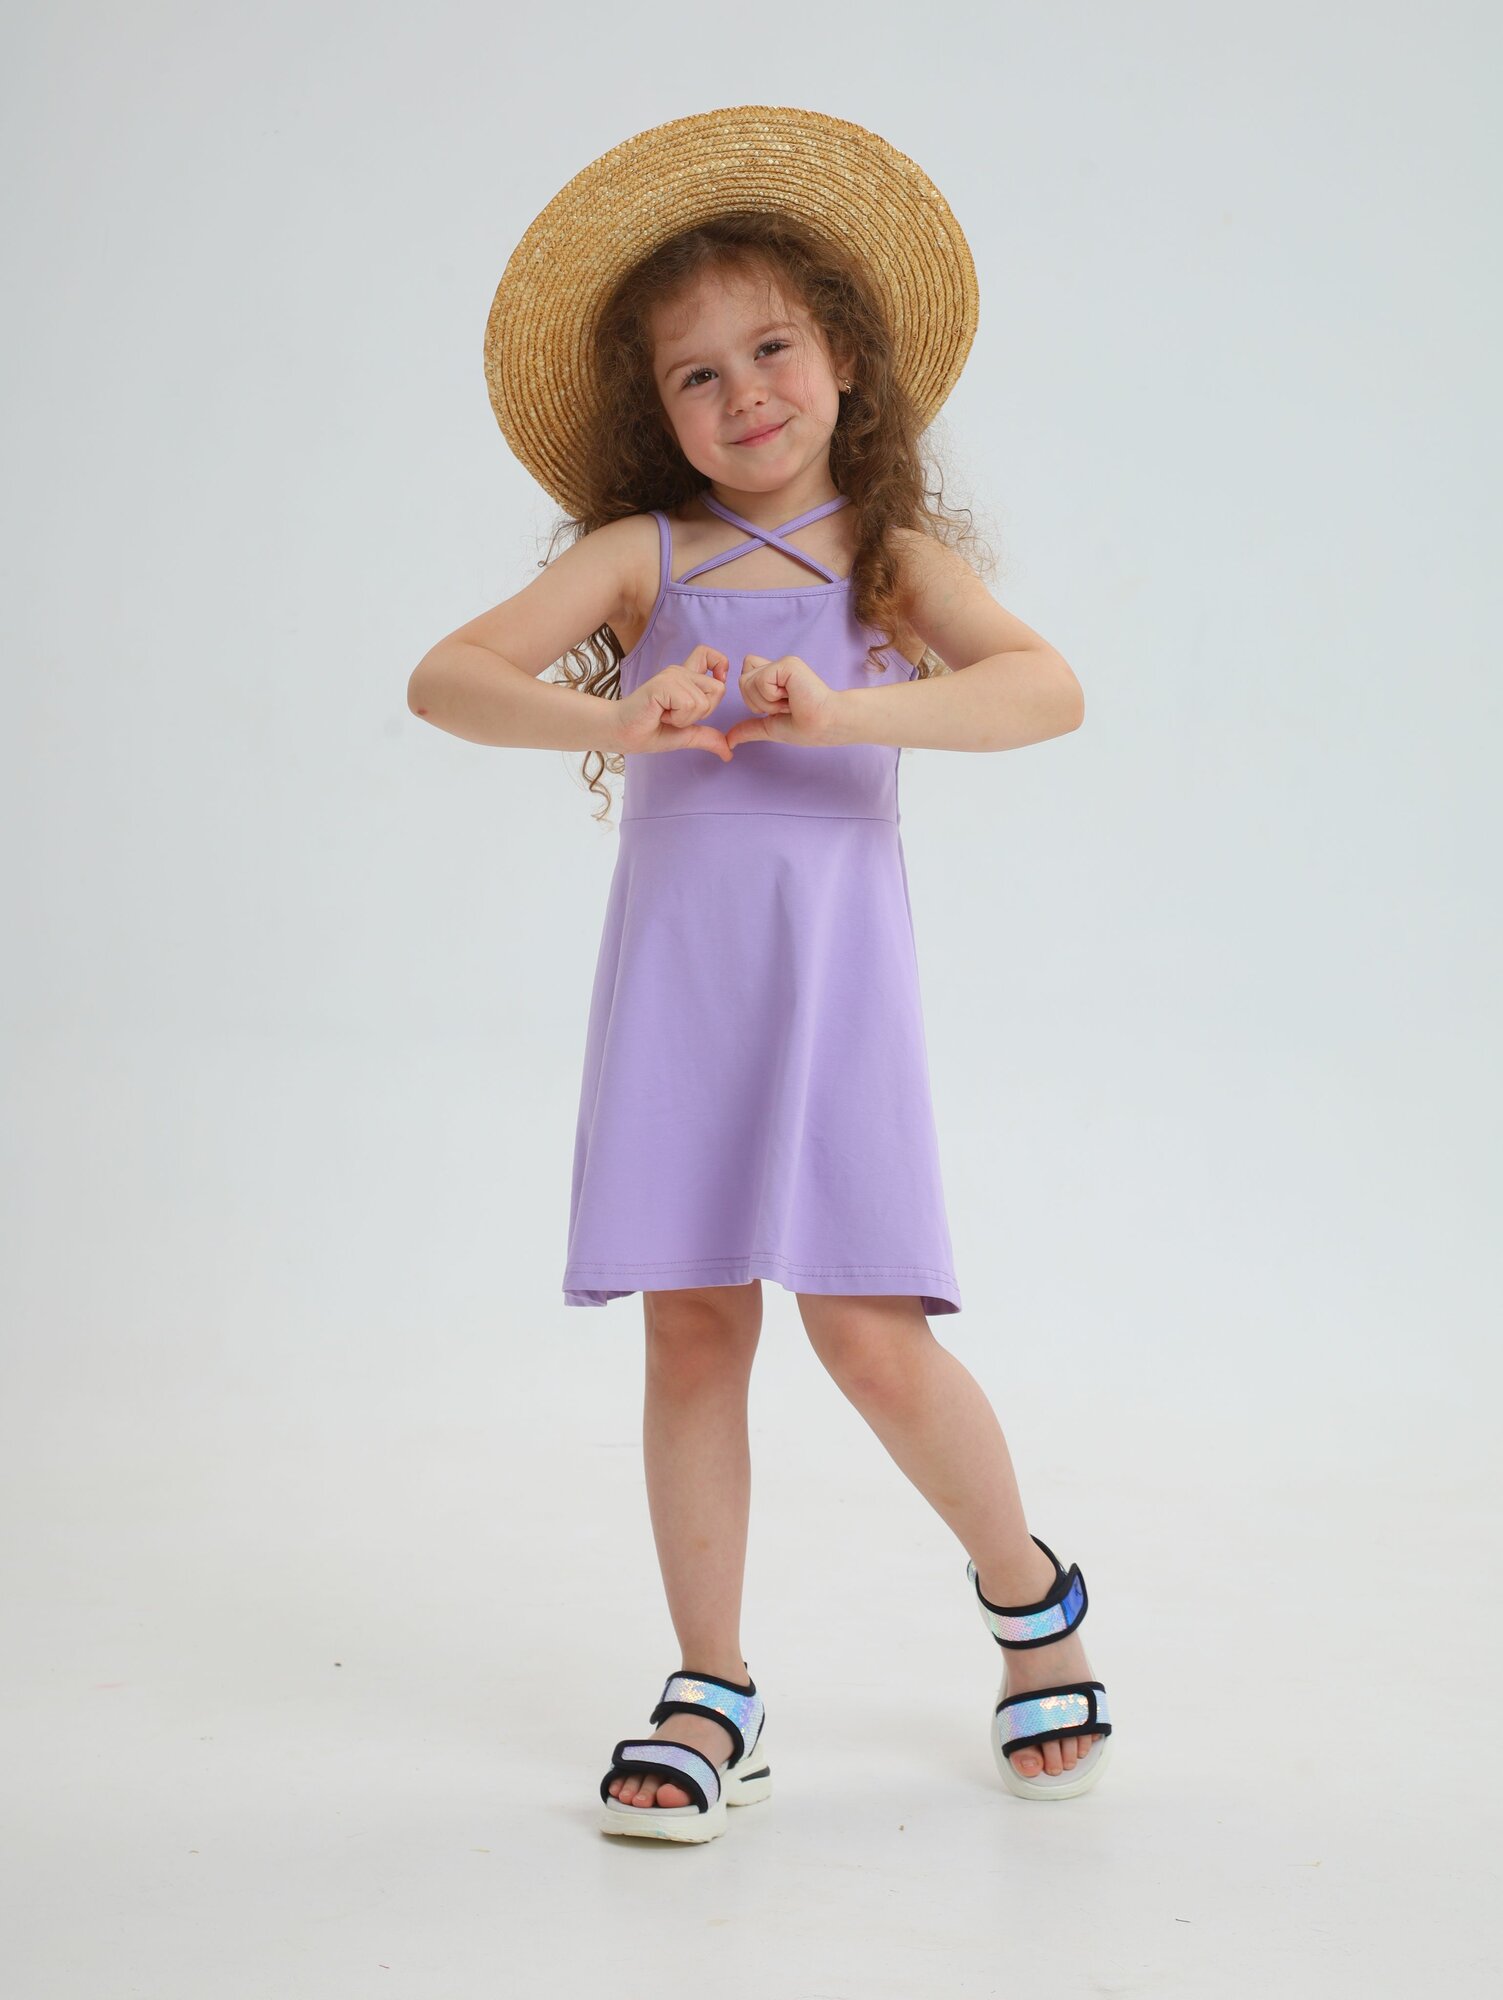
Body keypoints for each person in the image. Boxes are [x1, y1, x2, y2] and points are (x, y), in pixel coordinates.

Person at [409, 107, 1114, 1842]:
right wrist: (613, 716)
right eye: (698, 375)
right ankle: (712, 1683)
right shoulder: (642, 559)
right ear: (657, 414)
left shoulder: (885, 560)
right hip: (683, 996)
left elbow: (1045, 690)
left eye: (773, 349)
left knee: (870, 1337)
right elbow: (447, 677)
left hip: (835, 993)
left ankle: (1030, 1599)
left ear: (847, 360)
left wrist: (855, 706)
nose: (745, 396)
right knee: (692, 1327)